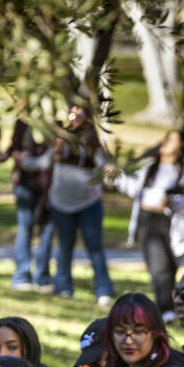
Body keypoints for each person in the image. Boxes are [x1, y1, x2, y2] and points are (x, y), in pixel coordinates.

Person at [50, 101, 115, 304]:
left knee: (94, 245)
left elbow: (107, 169)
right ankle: (63, 286)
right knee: (64, 245)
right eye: (72, 114)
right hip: (60, 201)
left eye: (80, 115)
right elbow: (46, 161)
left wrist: (110, 172)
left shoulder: (94, 144)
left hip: (88, 202)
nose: (75, 119)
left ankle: (103, 288)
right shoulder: (59, 140)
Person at [121, 129, 184, 316]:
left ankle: (168, 304)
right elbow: (133, 188)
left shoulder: (181, 172)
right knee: (159, 265)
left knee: (170, 264)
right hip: (147, 220)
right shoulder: (149, 167)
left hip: (169, 223)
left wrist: (169, 200)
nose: (167, 144)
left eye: (173, 141)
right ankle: (165, 309)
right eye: (167, 139)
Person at [8, 117, 54, 291]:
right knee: (24, 229)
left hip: (48, 186)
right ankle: (21, 275)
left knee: (47, 232)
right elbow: (15, 149)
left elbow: (51, 158)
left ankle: (42, 277)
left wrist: (27, 161)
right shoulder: (22, 122)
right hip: (26, 185)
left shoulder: (54, 122)